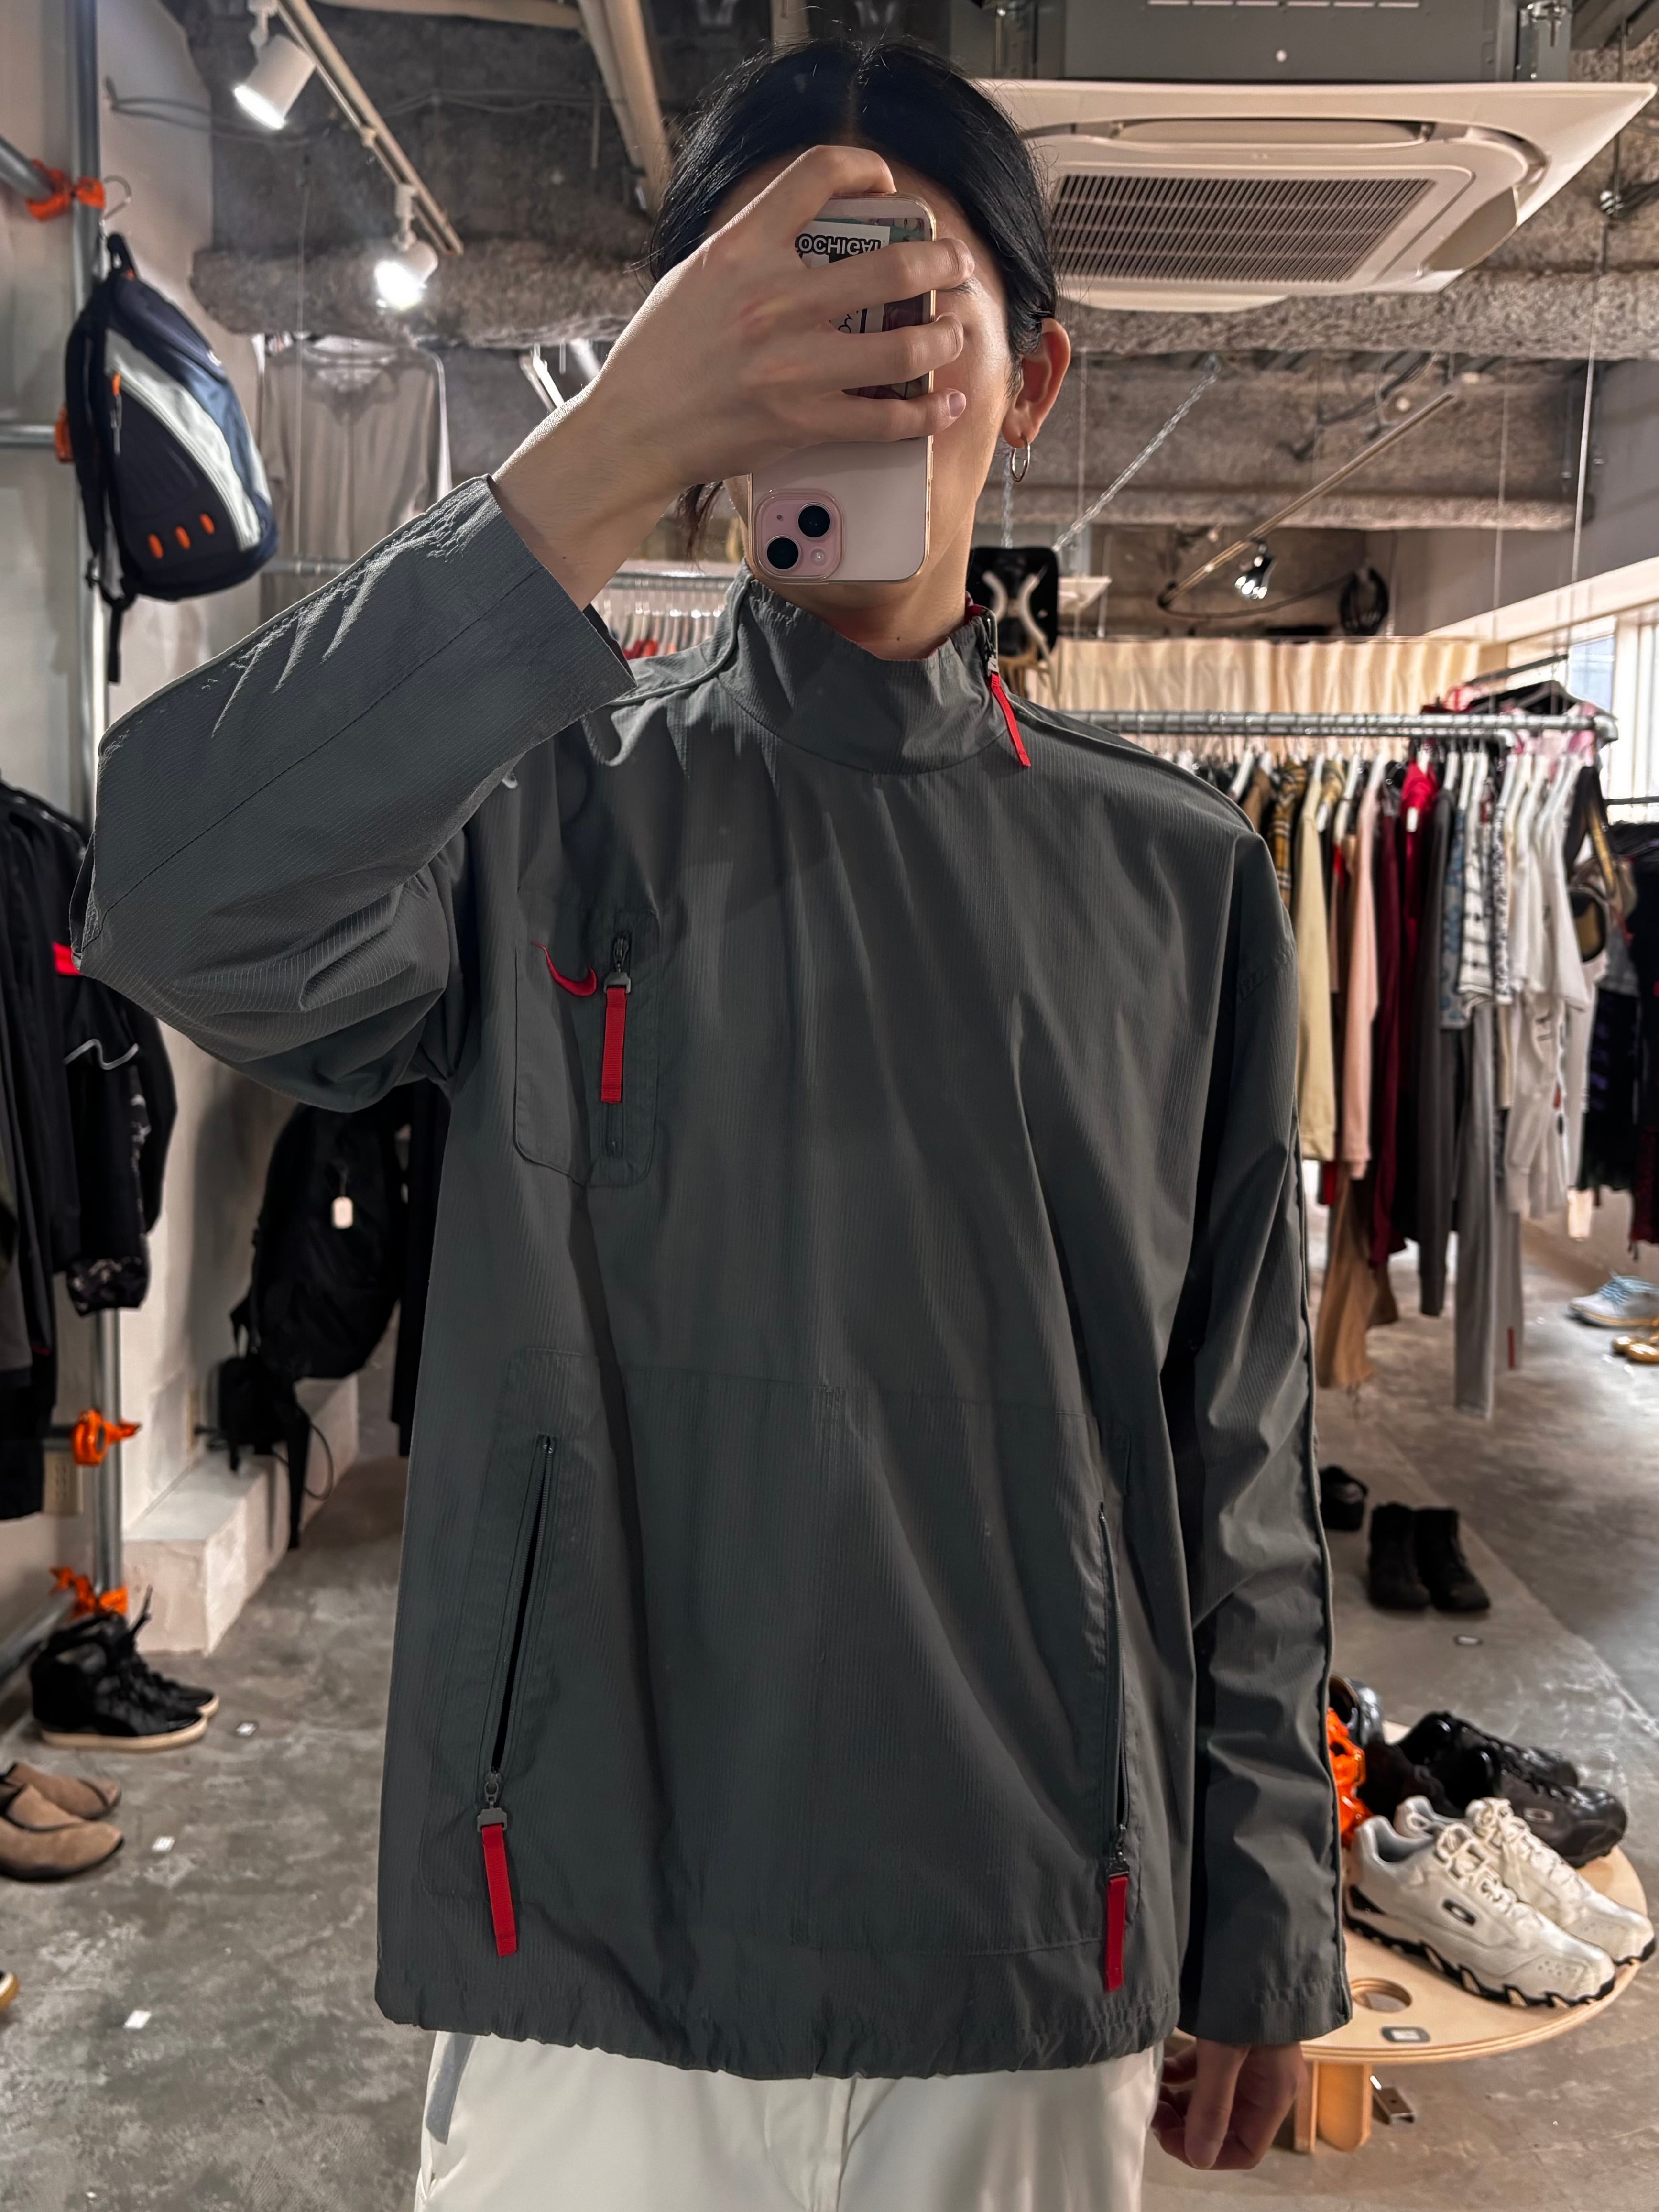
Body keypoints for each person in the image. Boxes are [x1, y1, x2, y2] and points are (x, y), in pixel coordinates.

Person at [72, 38, 1347, 2212]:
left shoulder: (1180, 881)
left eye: (901, 300)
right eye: (776, 298)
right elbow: (173, 893)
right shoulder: (538, 815)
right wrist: (601, 459)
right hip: (591, 1936)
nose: (844, 356)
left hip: (1029, 1938)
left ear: (1033, 379)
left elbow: (1235, 1442)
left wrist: (1267, 1887)